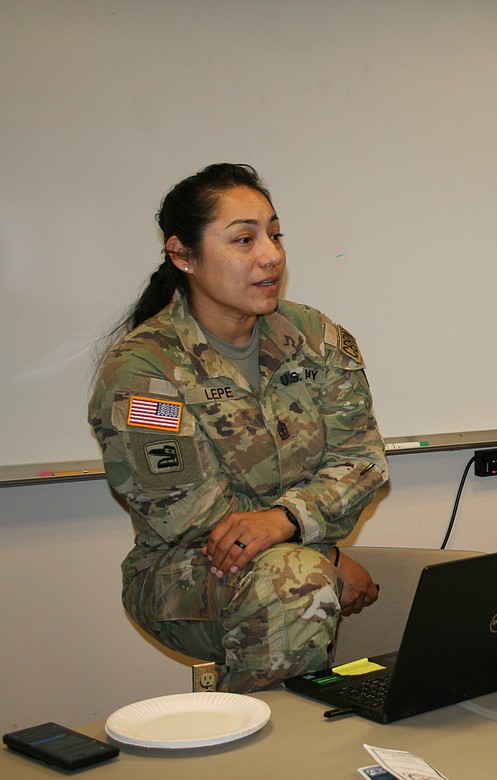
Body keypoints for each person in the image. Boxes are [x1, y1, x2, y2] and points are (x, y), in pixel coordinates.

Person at [89, 163, 389, 692]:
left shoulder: (314, 335)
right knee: (297, 582)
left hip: (294, 554)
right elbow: (192, 515)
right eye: (244, 240)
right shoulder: (143, 370)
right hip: (180, 572)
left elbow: (362, 462)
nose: (270, 254)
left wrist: (287, 520)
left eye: (274, 234)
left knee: (302, 578)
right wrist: (329, 556)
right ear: (183, 255)